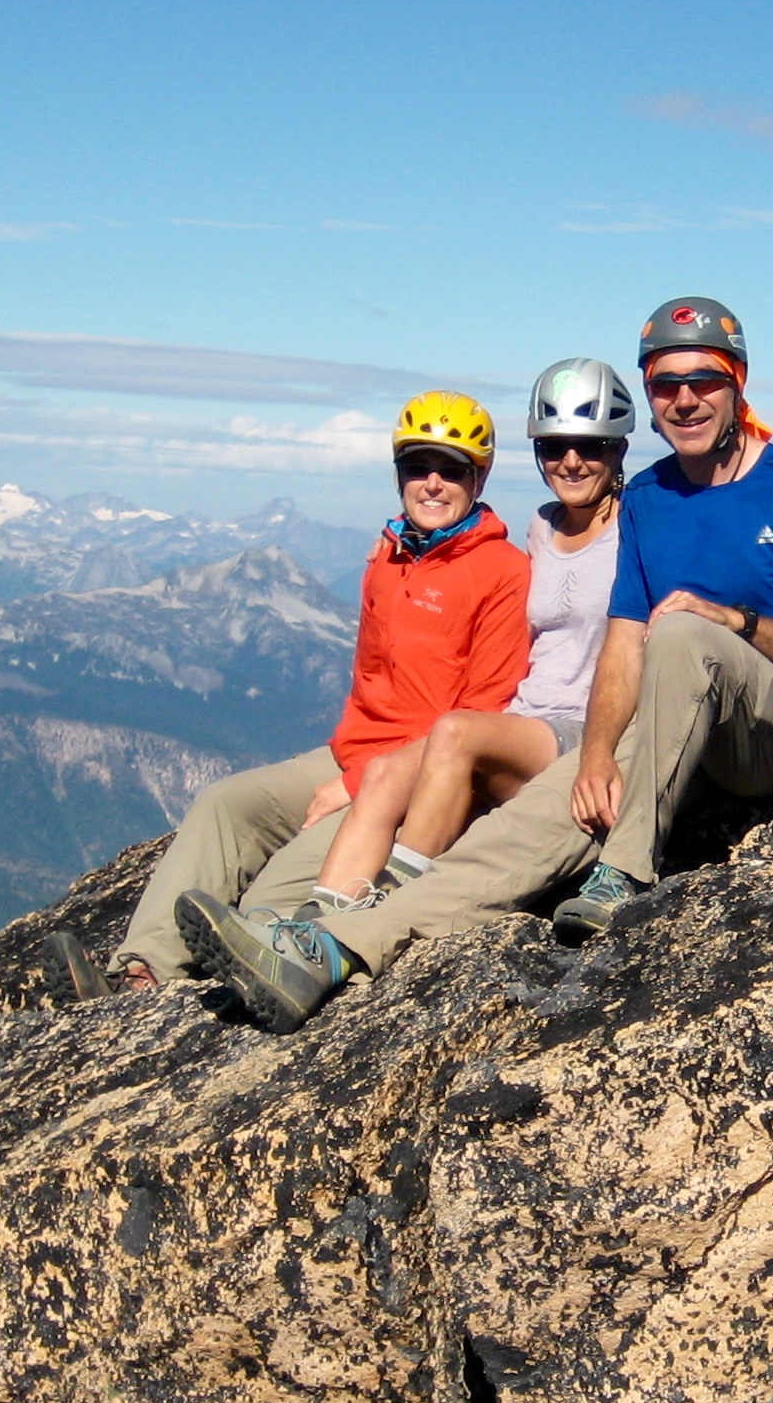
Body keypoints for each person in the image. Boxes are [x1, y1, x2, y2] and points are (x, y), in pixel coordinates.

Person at [181, 294, 773, 1030]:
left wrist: (734, 621)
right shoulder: (653, 500)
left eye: (705, 380)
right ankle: (333, 949)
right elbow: (623, 638)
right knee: (523, 830)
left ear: (739, 383)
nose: (686, 399)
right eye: (666, 384)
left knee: (686, 633)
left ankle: (623, 872)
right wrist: (596, 752)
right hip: (670, 728)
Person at [109, 391, 530, 987]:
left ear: (479, 476)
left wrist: (356, 787)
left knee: (273, 893)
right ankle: (145, 970)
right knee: (222, 806)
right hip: (350, 755)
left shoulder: (504, 572)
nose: (432, 483)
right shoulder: (389, 558)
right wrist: (346, 771)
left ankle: (244, 963)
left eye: (452, 469)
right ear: (397, 474)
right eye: (417, 466)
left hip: (416, 783)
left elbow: (483, 712)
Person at [308, 357, 638, 912]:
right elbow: (470, 551)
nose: (572, 461)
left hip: (585, 725)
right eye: (554, 447)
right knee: (387, 772)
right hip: (524, 722)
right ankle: (318, 920)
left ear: (618, 450)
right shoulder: (542, 526)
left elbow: (710, 511)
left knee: (455, 731)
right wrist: (394, 545)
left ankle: (389, 904)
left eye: (592, 446)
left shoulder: (643, 527)